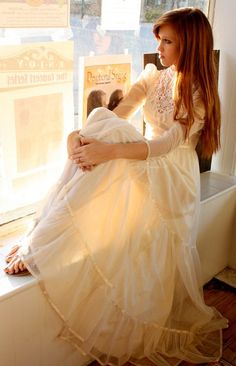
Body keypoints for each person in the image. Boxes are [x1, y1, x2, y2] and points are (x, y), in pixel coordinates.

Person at [4, 7, 228, 366]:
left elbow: (167, 145)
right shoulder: (154, 75)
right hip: (146, 158)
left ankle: (39, 242)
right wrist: (76, 137)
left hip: (172, 173)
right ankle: (40, 235)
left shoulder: (199, 91)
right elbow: (117, 114)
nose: (160, 49)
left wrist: (110, 151)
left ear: (191, 45)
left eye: (169, 42)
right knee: (97, 118)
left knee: (106, 135)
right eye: (160, 40)